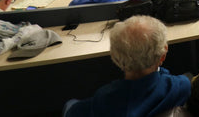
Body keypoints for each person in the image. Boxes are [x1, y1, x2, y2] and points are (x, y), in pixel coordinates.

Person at [63, 16, 191, 117]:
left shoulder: (102, 99)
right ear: (163, 56)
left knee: (70, 104)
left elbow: (73, 112)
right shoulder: (180, 86)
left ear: (114, 57)